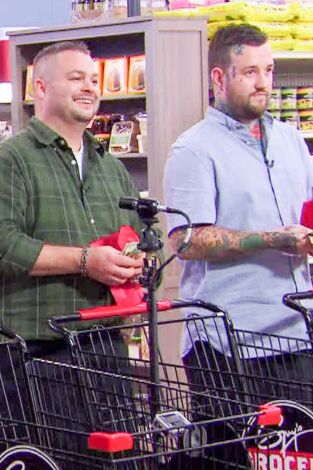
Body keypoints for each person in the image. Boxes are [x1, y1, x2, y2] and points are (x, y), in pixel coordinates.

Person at [164, 24, 313, 411]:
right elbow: (186, 241)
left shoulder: (292, 141)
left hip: (296, 334)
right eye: (250, 73)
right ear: (219, 77)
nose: (263, 83)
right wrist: (270, 239)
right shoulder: (194, 149)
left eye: (269, 70)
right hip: (227, 344)